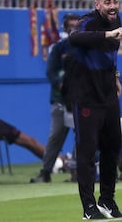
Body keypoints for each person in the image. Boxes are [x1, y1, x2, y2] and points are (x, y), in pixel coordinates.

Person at [66, 0, 122, 220]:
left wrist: (116, 77)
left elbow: (110, 55)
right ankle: (89, 208)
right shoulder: (87, 22)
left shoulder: (116, 20)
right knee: (87, 152)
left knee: (112, 150)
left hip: (108, 94)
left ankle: (107, 201)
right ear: (97, 5)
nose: (112, 7)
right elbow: (75, 38)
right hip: (86, 97)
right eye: (108, 3)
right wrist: (108, 35)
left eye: (115, 2)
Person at [30, 13, 80, 184]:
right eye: (70, 26)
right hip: (60, 99)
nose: (73, 29)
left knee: (81, 135)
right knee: (56, 136)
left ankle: (76, 171)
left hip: (80, 99)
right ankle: (45, 171)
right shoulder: (59, 48)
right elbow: (51, 72)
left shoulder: (86, 49)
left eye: (76, 25)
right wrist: (62, 85)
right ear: (65, 28)